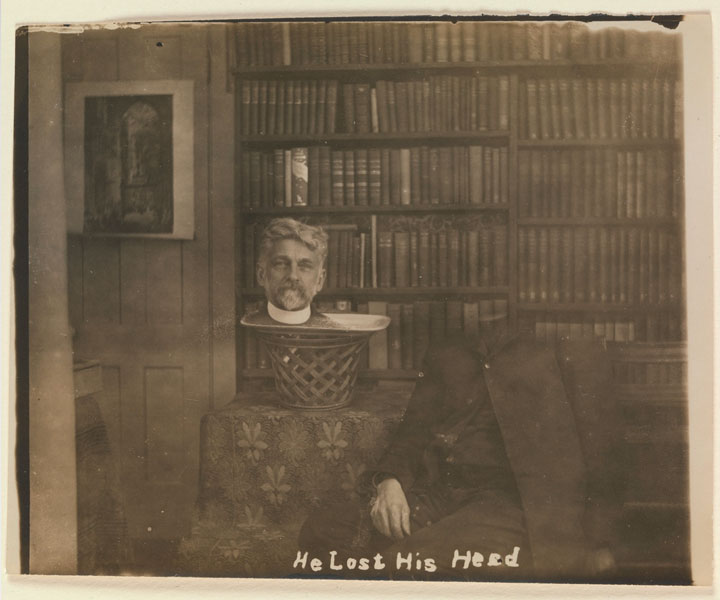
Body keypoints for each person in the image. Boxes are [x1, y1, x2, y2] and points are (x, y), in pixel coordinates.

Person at [298, 309, 624, 582]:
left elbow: (602, 449)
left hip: (513, 504)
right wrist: (389, 482)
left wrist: (600, 542)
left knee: (408, 563)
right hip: (440, 492)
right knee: (324, 531)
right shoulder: (448, 347)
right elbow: (413, 432)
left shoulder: (561, 342)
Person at [251, 217, 330, 326]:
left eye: (304, 266)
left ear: (320, 280)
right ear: (261, 275)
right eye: (281, 264)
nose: (293, 276)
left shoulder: (337, 332)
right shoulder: (240, 330)